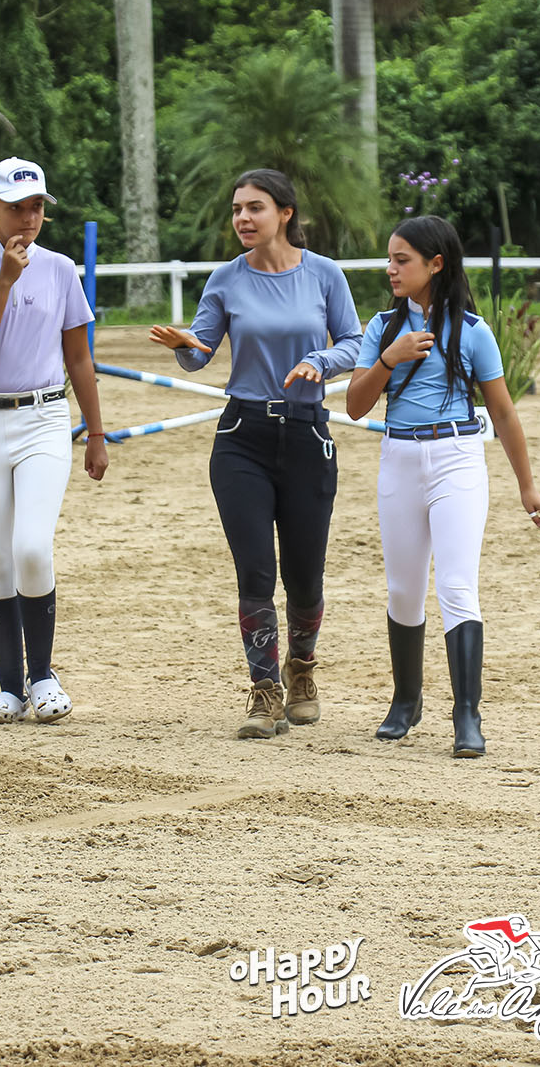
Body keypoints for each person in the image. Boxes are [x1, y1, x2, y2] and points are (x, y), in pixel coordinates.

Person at [148, 168, 362, 740]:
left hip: (306, 434)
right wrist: (184, 347)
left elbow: (356, 342)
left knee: (305, 575)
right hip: (241, 434)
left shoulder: (323, 275)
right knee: (254, 572)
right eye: (237, 208)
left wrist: (321, 361)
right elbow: (201, 356)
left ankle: (303, 671)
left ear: (284, 213)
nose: (243, 218)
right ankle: (264, 690)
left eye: (255, 208)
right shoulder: (225, 280)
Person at [346, 215, 540, 758]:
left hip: (458, 457)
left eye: (402, 260)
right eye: (390, 260)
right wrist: (389, 359)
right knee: (402, 588)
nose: (391, 269)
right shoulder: (381, 328)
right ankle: (406, 700)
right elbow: (354, 405)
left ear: (435, 264)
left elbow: (504, 413)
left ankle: (467, 712)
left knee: (457, 586)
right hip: (399, 456)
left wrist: (526, 487)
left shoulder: (473, 331)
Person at [0, 156, 107, 725]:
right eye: (18, 208)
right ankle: (9, 689)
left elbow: (78, 355)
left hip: (43, 418)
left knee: (32, 548)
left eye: (38, 206)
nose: (30, 217)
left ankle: (43, 675)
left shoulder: (62, 268)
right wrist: (6, 280)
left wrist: (95, 430)